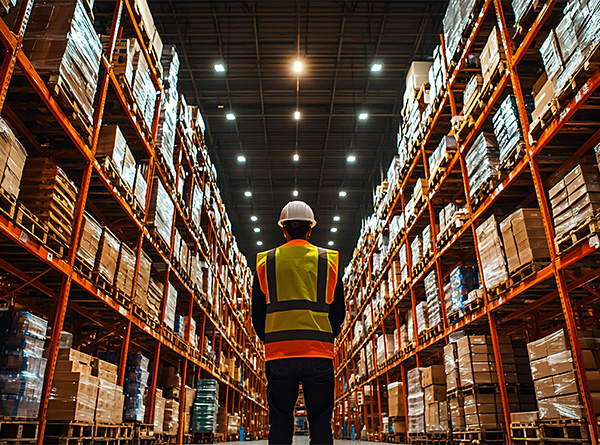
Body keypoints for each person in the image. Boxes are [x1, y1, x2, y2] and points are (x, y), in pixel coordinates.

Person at [252, 201, 346, 445]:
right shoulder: (329, 260)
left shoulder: (266, 261)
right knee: (320, 422)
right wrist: (327, 334)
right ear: (310, 229)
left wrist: (270, 338)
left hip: (279, 354)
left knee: (281, 421)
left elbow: (257, 313)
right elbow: (339, 312)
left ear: (283, 229)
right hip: (319, 352)